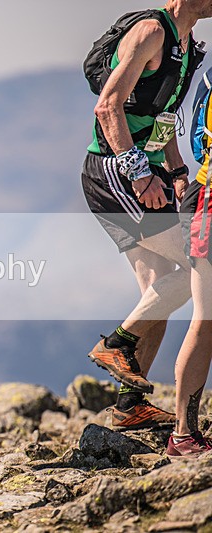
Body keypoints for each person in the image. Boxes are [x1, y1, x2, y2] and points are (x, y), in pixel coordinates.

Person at [82, 1, 210, 430]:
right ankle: (116, 343)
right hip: (116, 173)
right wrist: (139, 175)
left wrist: (175, 172)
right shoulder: (153, 31)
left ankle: (129, 405)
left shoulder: (188, 44)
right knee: (200, 264)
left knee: (159, 291)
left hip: (148, 171)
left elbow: (164, 117)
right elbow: (107, 106)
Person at [167, 65, 212, 457]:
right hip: (208, 202)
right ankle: (183, 433)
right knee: (206, 316)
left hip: (203, 195)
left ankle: (184, 433)